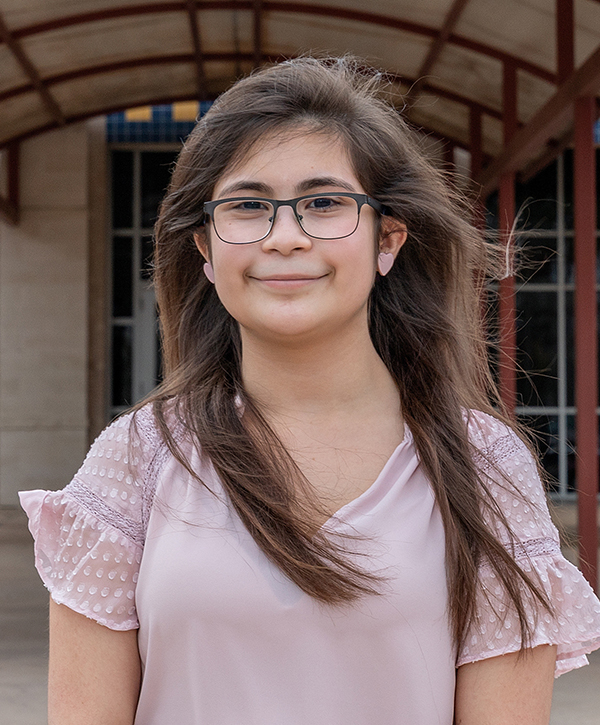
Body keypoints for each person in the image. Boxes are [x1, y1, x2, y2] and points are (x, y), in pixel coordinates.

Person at [20, 56, 600, 725]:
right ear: (206, 248)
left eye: (324, 203)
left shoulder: (484, 466)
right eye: (248, 205)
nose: (285, 236)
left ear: (388, 239)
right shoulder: (139, 457)